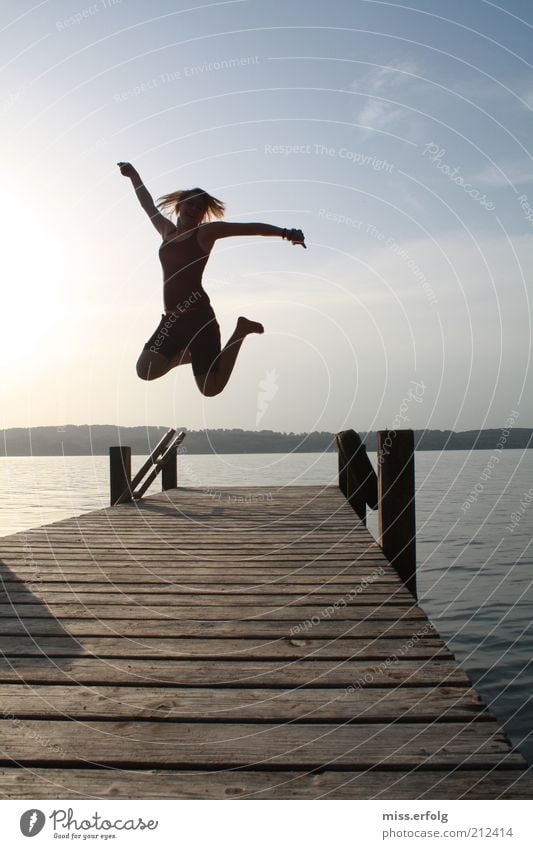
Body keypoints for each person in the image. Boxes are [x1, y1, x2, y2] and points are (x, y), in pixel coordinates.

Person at [117, 162, 306, 396]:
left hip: (199, 319)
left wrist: (286, 233)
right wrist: (134, 175)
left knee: (211, 388)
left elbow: (249, 228)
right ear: (179, 205)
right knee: (145, 370)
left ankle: (241, 330)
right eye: (190, 203)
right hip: (172, 321)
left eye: (199, 207)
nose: (194, 209)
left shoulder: (206, 234)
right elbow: (147, 204)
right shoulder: (167, 231)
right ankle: (189, 353)